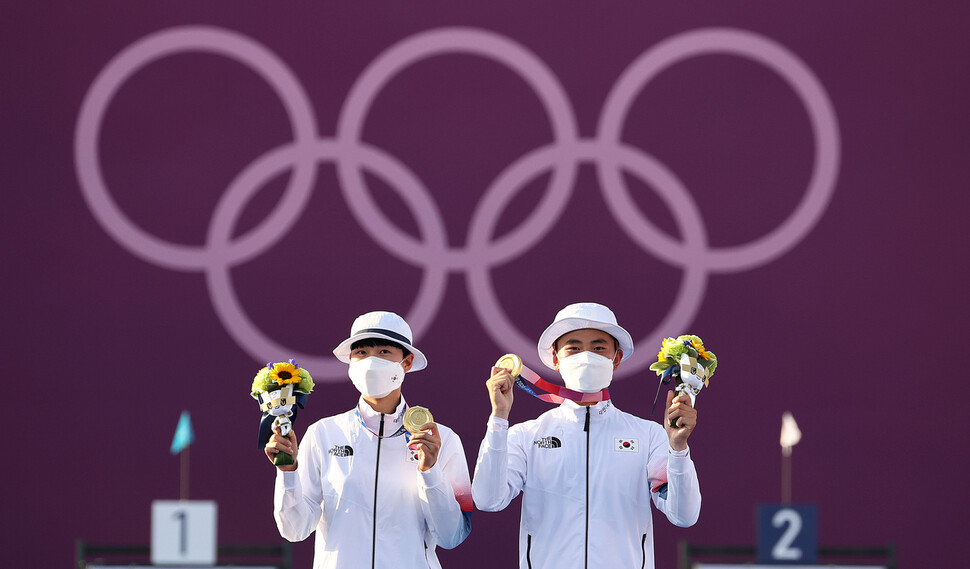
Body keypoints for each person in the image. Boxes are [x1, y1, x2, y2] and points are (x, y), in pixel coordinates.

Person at [472, 302, 701, 569]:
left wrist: (678, 448)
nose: (586, 355)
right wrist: (498, 419)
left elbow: (684, 515)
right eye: (574, 348)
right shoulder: (526, 435)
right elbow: (488, 499)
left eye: (598, 347)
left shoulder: (648, 435)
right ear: (556, 359)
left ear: (615, 359)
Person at [265, 311, 473, 569]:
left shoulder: (441, 439)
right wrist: (288, 473)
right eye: (361, 353)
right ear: (351, 361)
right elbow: (294, 529)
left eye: (384, 352)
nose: (371, 362)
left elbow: (452, 536)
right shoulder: (323, 433)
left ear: (406, 363)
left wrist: (430, 473)